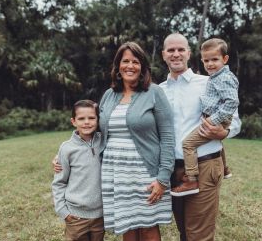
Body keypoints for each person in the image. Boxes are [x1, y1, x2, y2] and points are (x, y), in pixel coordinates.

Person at [55, 42, 176, 241]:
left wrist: (163, 178)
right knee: (127, 226)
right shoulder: (109, 96)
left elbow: (168, 137)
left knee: (148, 227)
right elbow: (93, 130)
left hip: (146, 174)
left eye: (135, 61)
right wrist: (64, 151)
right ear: (118, 66)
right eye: (125, 61)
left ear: (143, 66)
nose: (130, 66)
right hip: (116, 174)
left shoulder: (154, 93)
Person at [160, 33, 241, 241]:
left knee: (199, 235)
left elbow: (236, 119)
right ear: (163, 55)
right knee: (184, 232)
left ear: (188, 53)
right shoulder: (158, 91)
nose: (176, 54)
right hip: (173, 170)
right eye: (171, 50)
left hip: (204, 167)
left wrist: (224, 132)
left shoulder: (208, 82)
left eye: (181, 49)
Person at [171, 38, 239, 197]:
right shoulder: (216, 76)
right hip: (215, 116)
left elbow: (232, 102)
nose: (210, 64)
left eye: (215, 59)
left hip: (215, 118)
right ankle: (225, 168)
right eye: (206, 60)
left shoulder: (223, 78)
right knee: (217, 141)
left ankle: (191, 179)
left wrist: (213, 120)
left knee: (188, 144)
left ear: (225, 59)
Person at [52, 99, 105, 241]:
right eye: (81, 118)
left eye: (91, 118)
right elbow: (59, 182)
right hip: (75, 216)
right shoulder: (67, 148)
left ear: (98, 120)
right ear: (73, 121)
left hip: (100, 214)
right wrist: (63, 211)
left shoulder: (104, 141)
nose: (86, 122)